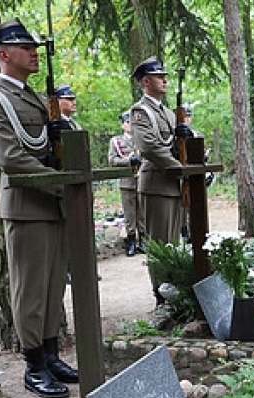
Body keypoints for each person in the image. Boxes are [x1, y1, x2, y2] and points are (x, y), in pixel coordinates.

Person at [0, 18, 78, 398]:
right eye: (25, 47)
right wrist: (63, 184)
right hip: (27, 203)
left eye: (34, 48)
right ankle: (33, 365)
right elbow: (11, 157)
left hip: (51, 202)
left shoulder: (30, 96)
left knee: (50, 287)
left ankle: (50, 354)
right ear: (3, 54)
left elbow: (42, 147)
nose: (33, 53)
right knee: (30, 290)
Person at [129, 57, 192, 306]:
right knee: (160, 245)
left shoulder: (168, 112)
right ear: (146, 82)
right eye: (158, 76)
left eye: (165, 76)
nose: (164, 80)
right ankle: (160, 296)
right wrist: (180, 169)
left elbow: (176, 145)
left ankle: (171, 292)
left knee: (173, 244)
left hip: (174, 186)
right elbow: (150, 147)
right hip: (157, 185)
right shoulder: (140, 111)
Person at [108, 110, 145, 256]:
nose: (131, 125)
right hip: (127, 182)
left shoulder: (141, 139)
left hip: (142, 180)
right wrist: (128, 161)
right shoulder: (116, 141)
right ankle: (131, 241)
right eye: (128, 122)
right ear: (123, 124)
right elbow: (112, 160)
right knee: (130, 214)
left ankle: (143, 240)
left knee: (142, 212)